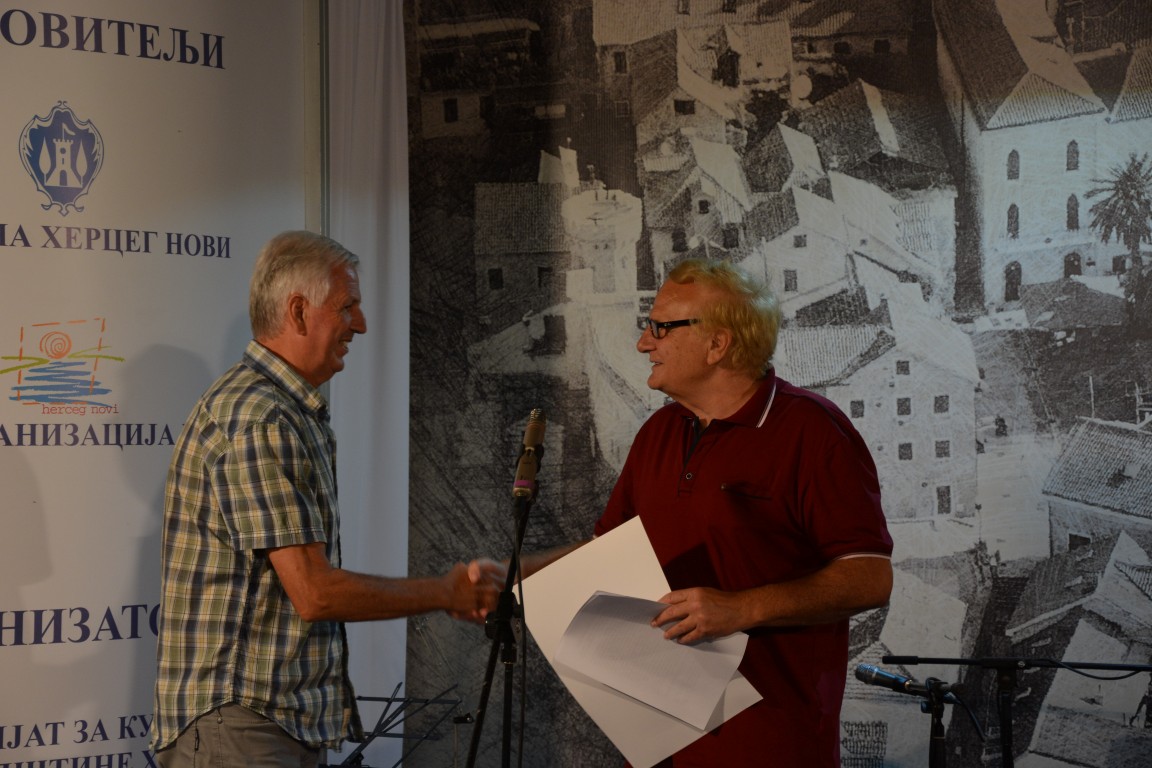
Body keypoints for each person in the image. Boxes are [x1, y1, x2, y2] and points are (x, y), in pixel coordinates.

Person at [150, 231, 505, 767]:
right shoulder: (259, 416)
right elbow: (313, 593)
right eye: (347, 307)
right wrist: (444, 592)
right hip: (242, 729)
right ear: (298, 311)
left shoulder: (285, 410)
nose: (360, 325)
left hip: (267, 725)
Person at [531, 258, 893, 766]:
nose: (643, 343)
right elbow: (606, 554)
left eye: (660, 327)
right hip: (658, 739)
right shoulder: (657, 433)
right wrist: (513, 578)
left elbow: (869, 578)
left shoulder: (813, 432)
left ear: (717, 344)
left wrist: (741, 608)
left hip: (771, 743)